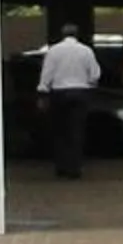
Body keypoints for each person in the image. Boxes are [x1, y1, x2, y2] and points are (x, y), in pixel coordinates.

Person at [38, 23, 101, 180]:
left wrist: (43, 91)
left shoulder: (54, 51)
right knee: (77, 130)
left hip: (59, 93)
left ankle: (61, 166)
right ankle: (75, 167)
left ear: (62, 33)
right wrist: (89, 84)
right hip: (80, 92)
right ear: (77, 33)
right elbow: (95, 74)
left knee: (60, 131)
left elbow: (47, 73)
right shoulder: (86, 51)